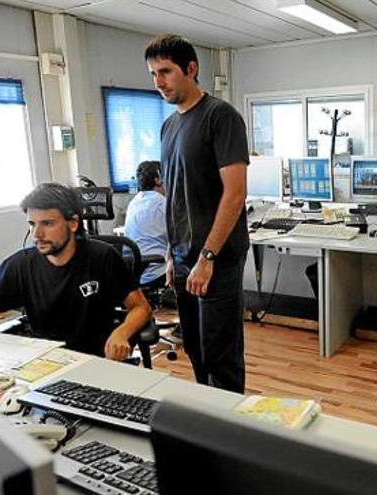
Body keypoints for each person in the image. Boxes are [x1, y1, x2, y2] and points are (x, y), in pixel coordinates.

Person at [0, 183, 152, 361]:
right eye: (32, 224)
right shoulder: (21, 265)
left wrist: (122, 331)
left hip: (96, 359)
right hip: (43, 362)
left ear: (73, 223)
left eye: (48, 223)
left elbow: (141, 307)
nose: (37, 234)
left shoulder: (102, 257)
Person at [145, 34, 249, 393]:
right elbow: (175, 195)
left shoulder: (220, 117)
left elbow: (235, 194)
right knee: (194, 346)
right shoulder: (169, 126)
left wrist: (207, 255)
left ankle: (229, 429)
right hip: (184, 255)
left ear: (191, 69)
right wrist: (172, 254)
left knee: (221, 352)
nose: (159, 82)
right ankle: (209, 418)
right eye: (153, 74)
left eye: (166, 72)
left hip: (217, 257)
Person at [124, 160, 168, 289]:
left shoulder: (133, 202)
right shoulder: (162, 204)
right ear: (158, 180)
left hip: (135, 274)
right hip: (159, 272)